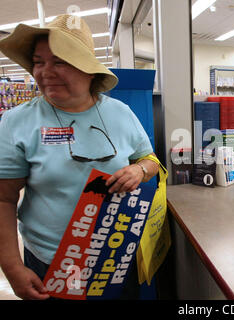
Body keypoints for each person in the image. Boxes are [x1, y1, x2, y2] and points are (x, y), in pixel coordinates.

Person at [0, 14, 160, 300]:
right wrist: (12, 266)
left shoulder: (119, 113)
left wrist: (140, 171)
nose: (46, 71)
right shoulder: (16, 123)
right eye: (39, 62)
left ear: (89, 70)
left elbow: (149, 159)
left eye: (60, 61)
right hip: (53, 263)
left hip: (116, 254)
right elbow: (3, 199)